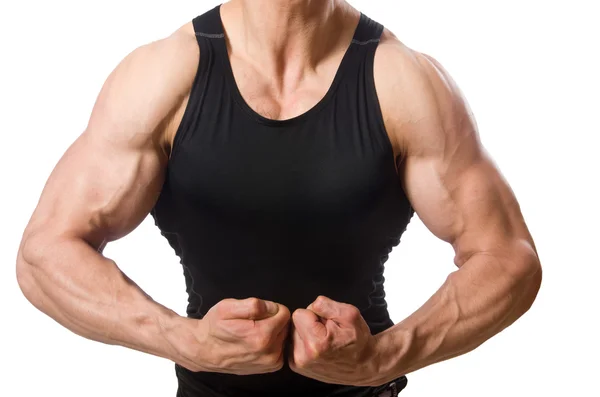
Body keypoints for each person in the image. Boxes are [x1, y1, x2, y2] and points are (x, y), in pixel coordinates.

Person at [15, 1, 542, 396]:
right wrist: (184, 341)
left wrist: (385, 356)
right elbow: (44, 254)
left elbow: (509, 259)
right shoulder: (162, 77)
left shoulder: (402, 81)